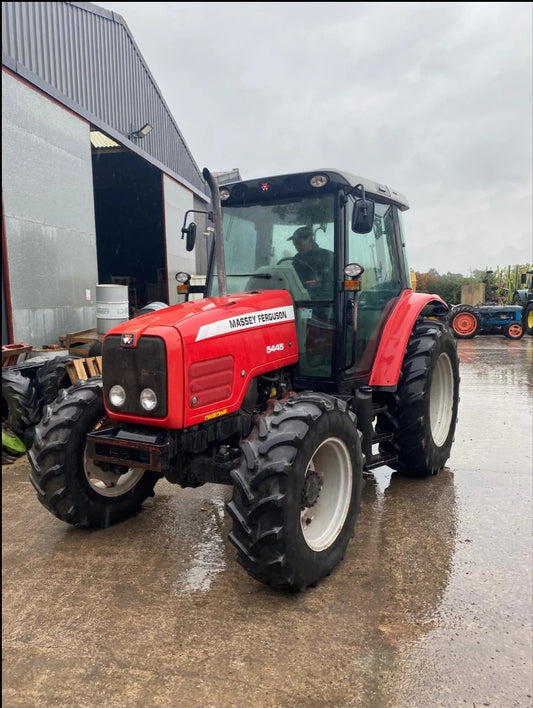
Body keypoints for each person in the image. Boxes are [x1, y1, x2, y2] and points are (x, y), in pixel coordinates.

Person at [288, 226, 334, 299]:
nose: (297, 248)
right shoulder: (297, 258)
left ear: (310, 241)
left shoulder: (326, 256)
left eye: (300, 244)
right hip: (301, 298)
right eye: (295, 245)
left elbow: (327, 283)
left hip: (324, 301)